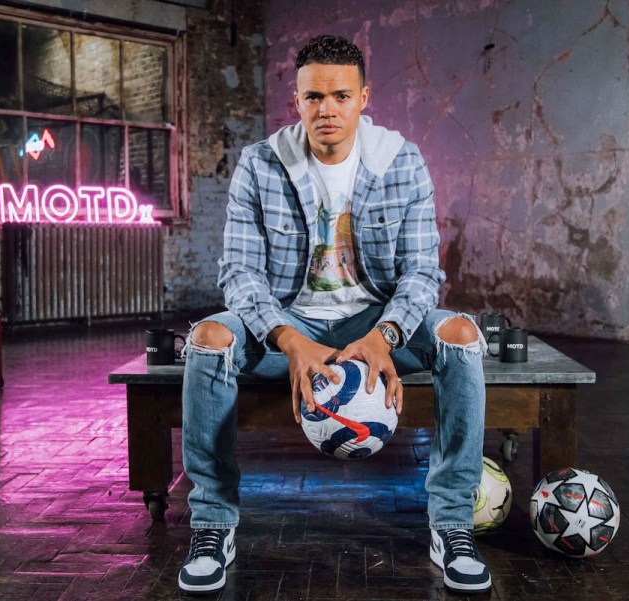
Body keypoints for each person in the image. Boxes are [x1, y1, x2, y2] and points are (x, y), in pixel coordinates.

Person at [177, 34, 491, 595]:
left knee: (463, 336)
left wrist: (384, 336)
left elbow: (422, 272)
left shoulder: (400, 161)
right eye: (314, 97)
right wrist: (289, 339)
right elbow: (240, 275)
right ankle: (212, 524)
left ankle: (452, 525)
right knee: (206, 338)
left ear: (363, 97)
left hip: (374, 320)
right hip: (286, 323)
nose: (327, 110)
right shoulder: (260, 164)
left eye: (341, 96)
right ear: (295, 100)